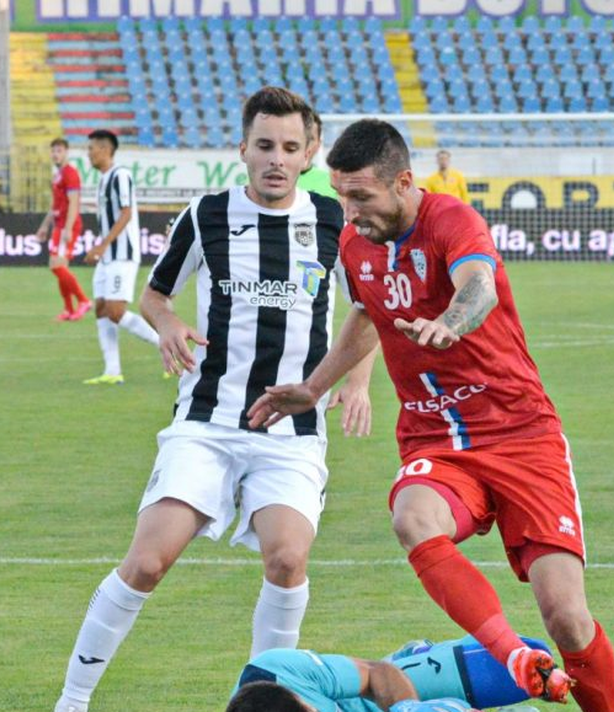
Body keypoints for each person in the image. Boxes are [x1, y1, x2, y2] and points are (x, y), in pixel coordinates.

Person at [248, 119, 614, 712]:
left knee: (567, 619)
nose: (349, 212)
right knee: (413, 516)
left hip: (520, 432)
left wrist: (450, 322)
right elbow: (366, 315)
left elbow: (479, 286)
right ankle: (512, 655)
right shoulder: (354, 243)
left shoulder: (452, 219)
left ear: (403, 182)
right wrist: (315, 387)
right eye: (342, 196)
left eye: (361, 196)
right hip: (436, 437)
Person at [52, 87, 374, 712]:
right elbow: (155, 294)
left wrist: (356, 381)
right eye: (264, 146)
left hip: (292, 430)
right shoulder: (206, 215)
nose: (276, 159)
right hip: (207, 419)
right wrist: (168, 324)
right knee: (147, 562)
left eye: (289, 148)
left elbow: (367, 309)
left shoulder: (335, 221)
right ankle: (72, 701)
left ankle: (260, 698)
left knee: (288, 559)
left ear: (308, 154)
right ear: (242, 148)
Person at [226, 635, 551, 712]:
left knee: (528, 659)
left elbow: (375, 673)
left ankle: (416, 658)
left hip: (381, 700)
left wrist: (409, 709)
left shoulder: (277, 668)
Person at [80, 129, 162, 385]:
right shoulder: (103, 180)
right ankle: (112, 371)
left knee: (115, 311)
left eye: (91, 148)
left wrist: (102, 245)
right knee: (101, 309)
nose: (88, 153)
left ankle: (167, 345)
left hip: (122, 255)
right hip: (108, 257)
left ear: (106, 149)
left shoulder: (120, 175)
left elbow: (126, 214)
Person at [36, 137, 92, 322]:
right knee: (60, 267)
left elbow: (74, 203)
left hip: (67, 225)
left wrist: (68, 228)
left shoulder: (70, 174)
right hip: (59, 225)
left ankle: (83, 301)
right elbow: (55, 205)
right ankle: (68, 309)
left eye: (59, 151)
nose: (55, 154)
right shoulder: (58, 175)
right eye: (53, 151)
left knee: (56, 265)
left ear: (66, 153)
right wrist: (45, 225)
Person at [297, 112, 337, 199]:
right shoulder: (272, 181)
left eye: (310, 139)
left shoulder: (332, 184)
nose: (305, 144)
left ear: (318, 144)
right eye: (300, 137)